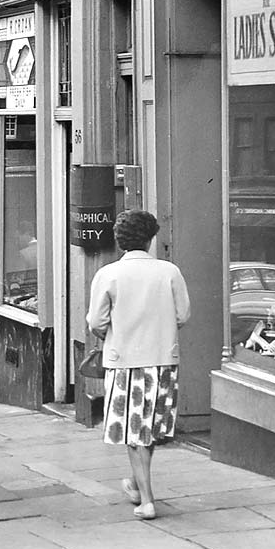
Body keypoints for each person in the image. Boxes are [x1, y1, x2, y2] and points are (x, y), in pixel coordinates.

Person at [86, 209, 191, 521]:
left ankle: (147, 500)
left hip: (124, 362)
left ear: (120, 242)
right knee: (150, 428)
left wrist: (111, 332)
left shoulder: (108, 275)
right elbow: (183, 315)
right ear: (150, 239)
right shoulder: (170, 272)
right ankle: (136, 482)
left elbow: (96, 321)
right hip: (162, 360)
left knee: (134, 431)